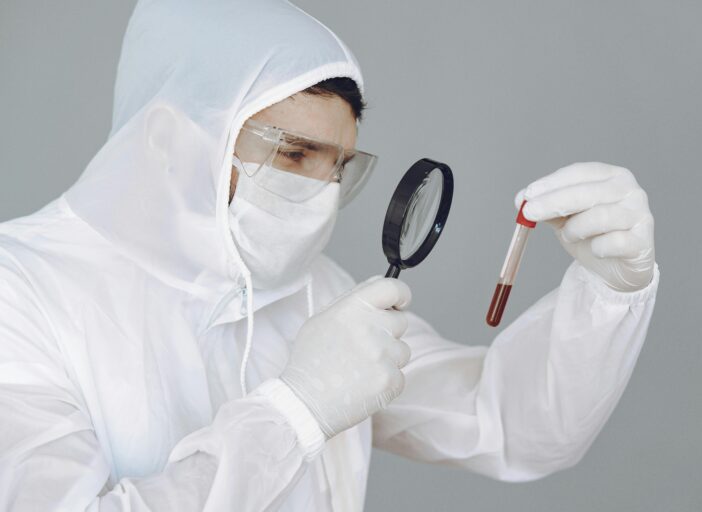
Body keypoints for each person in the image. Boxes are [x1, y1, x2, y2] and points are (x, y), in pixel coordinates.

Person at [0, 0, 659, 510]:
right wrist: (295, 411)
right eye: (293, 154)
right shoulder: (21, 293)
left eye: (339, 166)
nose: (319, 193)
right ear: (171, 138)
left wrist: (610, 292)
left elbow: (511, 426)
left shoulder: (316, 292)